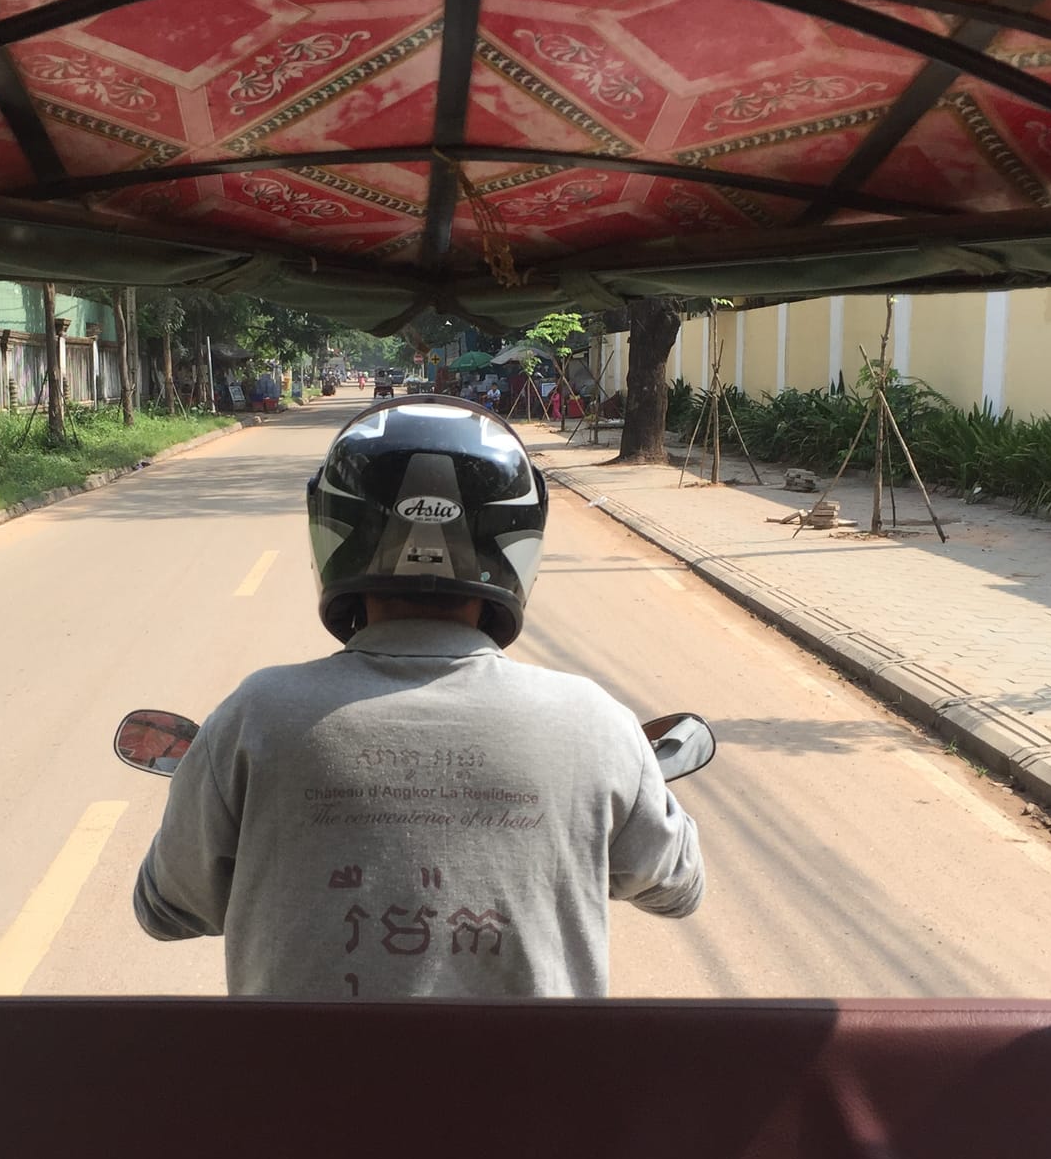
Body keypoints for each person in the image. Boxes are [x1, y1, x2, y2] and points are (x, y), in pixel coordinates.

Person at [132, 398, 704, 999]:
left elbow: (165, 908)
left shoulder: (255, 716)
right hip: (530, 1094)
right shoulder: (594, 725)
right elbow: (679, 886)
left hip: (301, 1093)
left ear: (335, 532)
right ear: (517, 541)